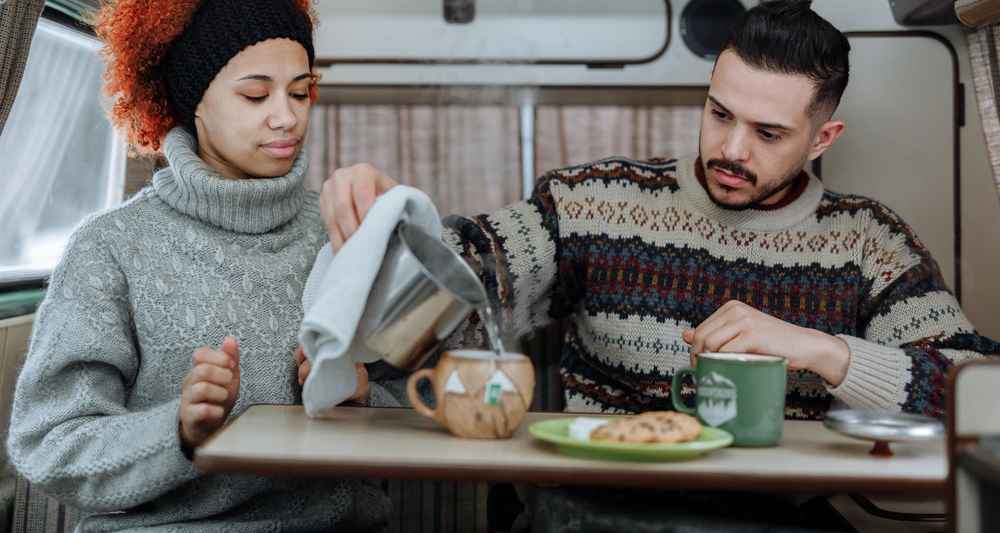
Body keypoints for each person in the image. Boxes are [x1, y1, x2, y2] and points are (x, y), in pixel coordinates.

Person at [319, 0, 1000, 423]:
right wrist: (392, 225)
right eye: (719, 113)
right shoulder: (594, 201)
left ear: (823, 139)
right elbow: (473, 277)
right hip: (596, 507)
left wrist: (823, 351)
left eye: (767, 134)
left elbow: (982, 393)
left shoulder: (868, 242)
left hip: (776, 513)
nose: (730, 149)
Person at [7, 0, 396, 531]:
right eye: (255, 94)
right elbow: (49, 444)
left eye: (302, 91)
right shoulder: (110, 248)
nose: (287, 116)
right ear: (193, 102)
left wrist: (365, 397)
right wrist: (179, 431)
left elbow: (426, 408)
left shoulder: (341, 230)